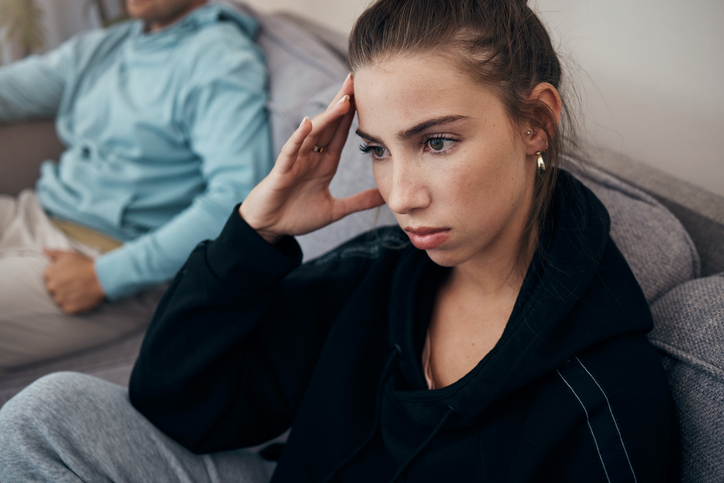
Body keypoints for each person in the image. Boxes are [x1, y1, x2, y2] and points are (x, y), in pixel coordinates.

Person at [0, 0, 680, 481]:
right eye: (378, 150)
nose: (400, 193)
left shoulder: (608, 398)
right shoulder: (380, 274)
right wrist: (253, 235)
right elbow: (178, 401)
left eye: (436, 141)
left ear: (535, 121)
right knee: (46, 413)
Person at [0, 0, 272, 369]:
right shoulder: (112, 44)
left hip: (103, 258)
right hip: (31, 215)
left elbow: (239, 202)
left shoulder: (220, 58)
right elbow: (10, 91)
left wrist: (104, 278)